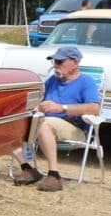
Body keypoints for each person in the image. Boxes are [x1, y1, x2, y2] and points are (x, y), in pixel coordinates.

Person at [11, 46, 100, 192]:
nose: (55, 66)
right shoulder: (52, 80)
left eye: (60, 62)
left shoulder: (86, 82)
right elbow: (39, 102)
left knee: (43, 123)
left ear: (75, 63)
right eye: (54, 62)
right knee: (10, 123)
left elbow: (94, 109)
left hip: (74, 127)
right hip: (47, 124)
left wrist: (62, 108)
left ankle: (54, 175)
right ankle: (27, 168)